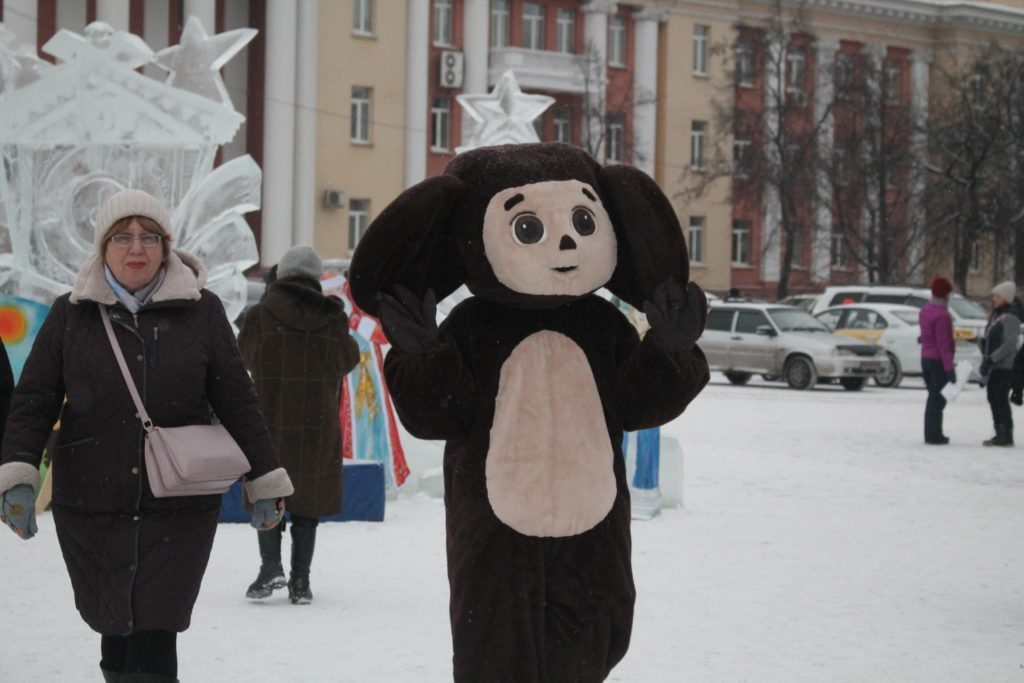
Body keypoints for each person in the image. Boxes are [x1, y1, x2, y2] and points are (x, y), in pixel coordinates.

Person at [0, 189, 294, 683]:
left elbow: (237, 401)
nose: (136, 249)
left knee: (156, 631)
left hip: (176, 504)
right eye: (123, 237)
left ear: (166, 246)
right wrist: (19, 476)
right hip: (92, 501)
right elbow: (34, 400)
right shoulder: (71, 314)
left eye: (148, 237)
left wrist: (264, 478)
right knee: (113, 621)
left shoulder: (201, 311)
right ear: (103, 248)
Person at [238, 245, 359, 604]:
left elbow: (242, 353)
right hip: (316, 426)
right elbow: (349, 359)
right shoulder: (332, 318)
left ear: (282, 274)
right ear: (315, 277)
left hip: (269, 421)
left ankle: (269, 567)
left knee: (267, 490)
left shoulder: (260, 316)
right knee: (308, 502)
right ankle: (301, 582)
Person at [980, 280, 1021, 446]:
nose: (994, 299)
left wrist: (992, 358)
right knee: (992, 397)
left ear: (1006, 298)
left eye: (998, 296)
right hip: (993, 366)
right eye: (994, 296)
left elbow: (1009, 345)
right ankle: (999, 431)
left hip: (1004, 366)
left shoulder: (1011, 318)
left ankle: (1006, 433)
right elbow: (991, 337)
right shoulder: (996, 315)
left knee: (1000, 398)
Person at [919, 277, 956, 445]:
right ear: (945, 294)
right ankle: (934, 435)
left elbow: (926, 335)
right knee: (937, 400)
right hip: (937, 362)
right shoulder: (943, 316)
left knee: (932, 398)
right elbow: (943, 344)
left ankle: (931, 433)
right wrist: (949, 369)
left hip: (925, 358)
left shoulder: (925, 310)